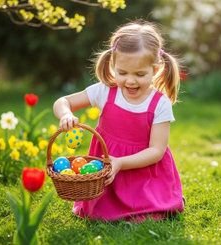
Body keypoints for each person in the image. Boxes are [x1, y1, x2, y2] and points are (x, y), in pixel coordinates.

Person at [53, 20, 184, 222]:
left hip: (144, 172)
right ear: (113, 65)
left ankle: (157, 198)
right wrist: (66, 115)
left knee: (152, 213)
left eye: (140, 74)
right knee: (99, 213)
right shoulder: (105, 91)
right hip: (107, 173)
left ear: (155, 69)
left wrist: (121, 162)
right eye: (122, 73)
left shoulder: (160, 104)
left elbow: (157, 151)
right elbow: (63, 102)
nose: (130, 81)